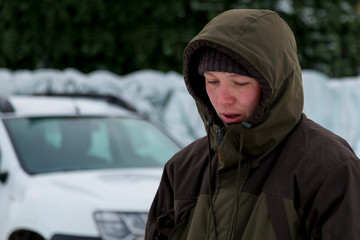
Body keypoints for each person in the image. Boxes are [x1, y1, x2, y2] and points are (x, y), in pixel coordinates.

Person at [145, 9, 360, 240]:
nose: (222, 98)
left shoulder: (329, 169)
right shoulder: (183, 169)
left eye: (239, 82)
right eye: (212, 81)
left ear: (275, 85)